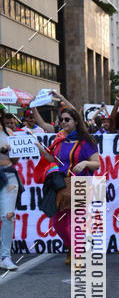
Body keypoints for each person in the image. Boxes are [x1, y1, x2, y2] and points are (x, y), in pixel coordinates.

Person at [37, 107, 101, 262]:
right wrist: (41, 151)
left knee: (77, 222)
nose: (63, 122)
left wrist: (85, 162)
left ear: (76, 122)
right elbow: (54, 161)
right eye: (61, 119)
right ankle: (73, 248)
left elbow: (97, 164)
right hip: (62, 185)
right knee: (58, 223)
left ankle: (77, 255)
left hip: (80, 184)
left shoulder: (86, 142)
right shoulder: (60, 141)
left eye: (67, 119)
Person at [0, 110, 23, 270]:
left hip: (8, 176)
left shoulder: (8, 132)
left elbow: (16, 159)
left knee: (8, 216)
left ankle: (5, 256)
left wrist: (11, 150)